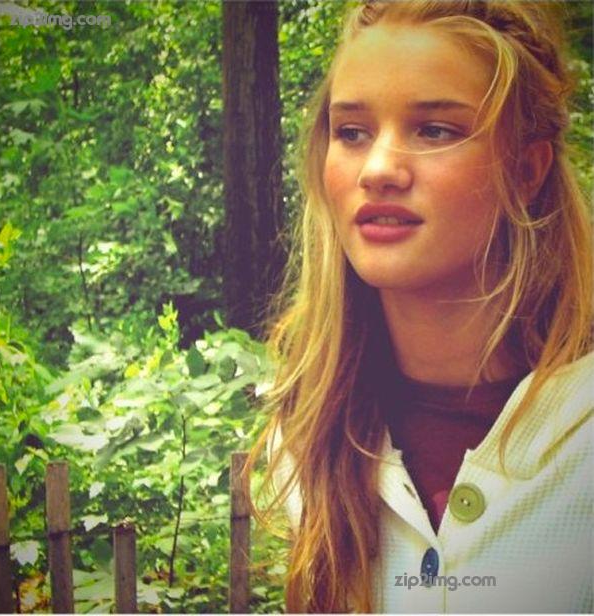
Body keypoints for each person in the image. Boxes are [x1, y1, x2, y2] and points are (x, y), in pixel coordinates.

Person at [245, 0, 593, 612]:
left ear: (526, 170)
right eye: (352, 132)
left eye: (435, 130)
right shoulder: (305, 441)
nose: (379, 169)